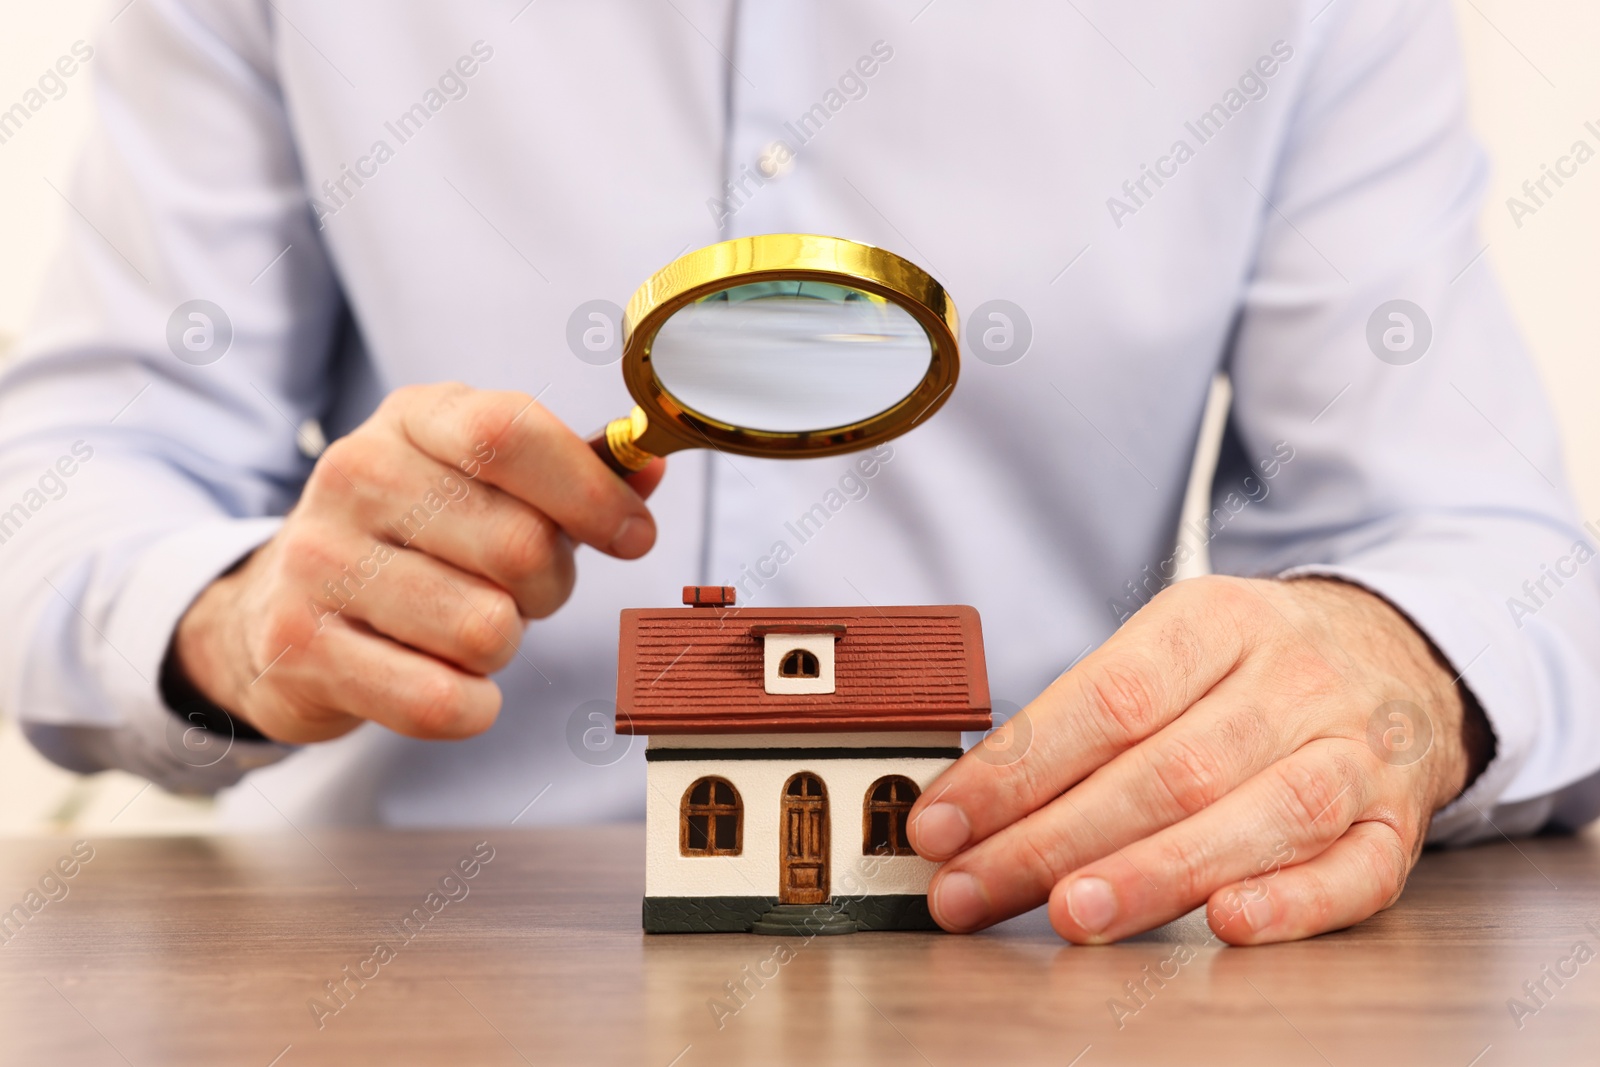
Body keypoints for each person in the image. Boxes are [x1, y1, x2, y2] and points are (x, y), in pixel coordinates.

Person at [2, 0, 1597, 947]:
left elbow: (1486, 549)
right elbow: (68, 481)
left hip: (1041, 975)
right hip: (392, 963)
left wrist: (1401, 666)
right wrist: (234, 616)